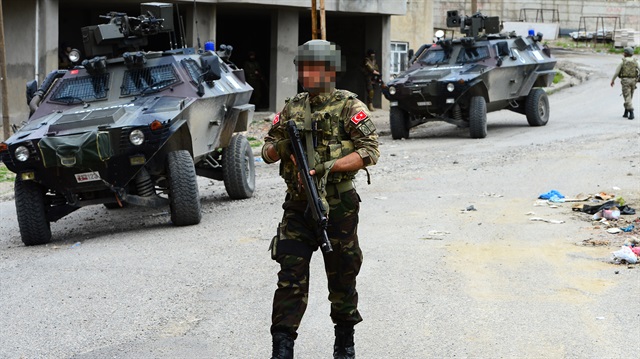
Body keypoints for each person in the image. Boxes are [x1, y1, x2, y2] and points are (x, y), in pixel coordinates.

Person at [261, 39, 379, 359]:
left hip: (338, 205)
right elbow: (266, 152)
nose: (306, 74)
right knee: (289, 276)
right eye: (302, 67)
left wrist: (329, 167)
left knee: (342, 274)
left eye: (313, 68)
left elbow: (369, 152)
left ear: (329, 70)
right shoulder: (292, 107)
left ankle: (344, 344)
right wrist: (284, 145)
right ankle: (282, 348)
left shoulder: (349, 106)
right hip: (297, 205)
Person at [610, 47, 639, 120]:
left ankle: (631, 112)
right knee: (629, 96)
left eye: (624, 52)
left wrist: (612, 80)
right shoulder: (636, 61)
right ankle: (626, 111)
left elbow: (617, 72)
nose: (623, 53)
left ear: (626, 53)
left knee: (626, 96)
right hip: (633, 80)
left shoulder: (623, 62)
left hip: (625, 80)